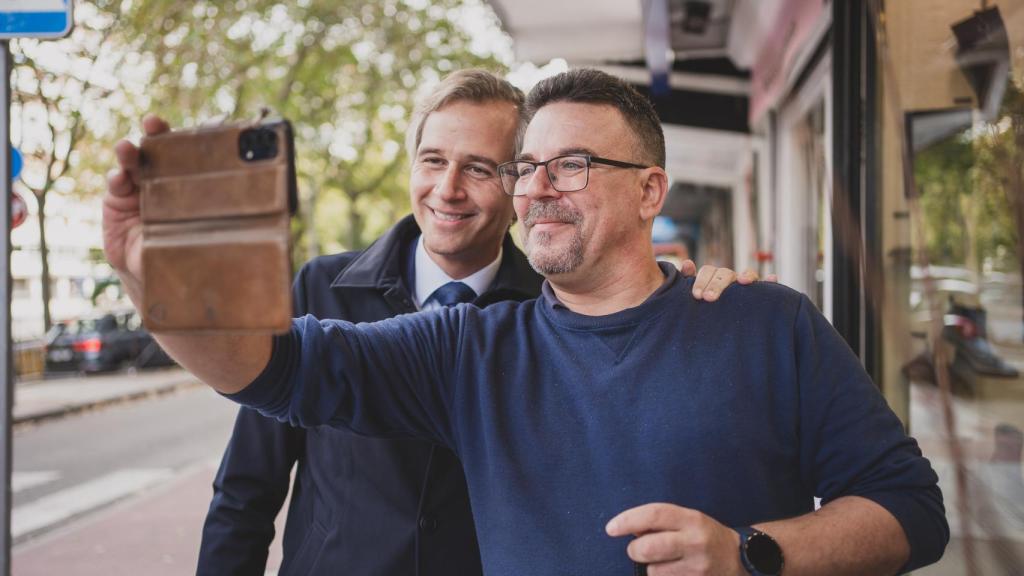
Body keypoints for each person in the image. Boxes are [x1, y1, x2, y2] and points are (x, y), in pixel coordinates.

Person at [104, 69, 948, 575]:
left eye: (572, 165)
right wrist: (166, 285)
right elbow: (274, 368)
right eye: (529, 166)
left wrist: (754, 552)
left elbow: (912, 512)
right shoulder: (469, 345)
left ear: (650, 191)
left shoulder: (766, 324)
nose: (538, 185)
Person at [187, 70, 750, 575]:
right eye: (433, 160)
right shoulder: (320, 288)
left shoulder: (559, 311)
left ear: (520, 185)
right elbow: (247, 487)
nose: (448, 189)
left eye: (479, 168)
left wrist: (676, 298)